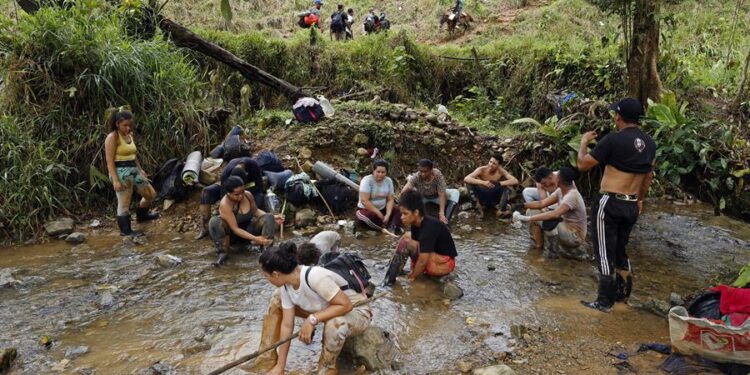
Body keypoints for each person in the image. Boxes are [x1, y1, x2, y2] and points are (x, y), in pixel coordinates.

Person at [577, 97, 656, 313]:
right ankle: (623, 297)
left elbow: (583, 164)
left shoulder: (613, 140)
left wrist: (583, 142)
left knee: (604, 251)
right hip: (631, 204)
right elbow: (648, 176)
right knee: (621, 251)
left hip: (609, 202)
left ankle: (604, 302)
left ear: (618, 116)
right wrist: (640, 199)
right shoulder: (650, 143)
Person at [256, 242, 372, 375]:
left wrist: (312, 320)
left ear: (276, 274)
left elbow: (346, 305)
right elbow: (287, 325)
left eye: (266, 276)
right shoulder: (286, 286)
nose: (266, 280)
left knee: (335, 324)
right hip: (327, 309)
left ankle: (326, 369)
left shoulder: (315, 276)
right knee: (277, 300)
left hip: (356, 312)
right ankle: (268, 358)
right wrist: (280, 367)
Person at [104, 108, 159, 236]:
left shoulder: (129, 135)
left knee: (150, 194)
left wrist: (140, 169)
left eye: (130, 125)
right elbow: (109, 161)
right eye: (125, 125)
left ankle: (142, 216)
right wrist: (116, 180)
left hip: (133, 169)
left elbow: (134, 155)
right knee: (124, 202)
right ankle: (126, 231)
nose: (128, 128)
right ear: (117, 124)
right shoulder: (112, 137)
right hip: (120, 171)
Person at [383, 191, 457, 285]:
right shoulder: (416, 223)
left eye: (405, 214)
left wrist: (412, 277)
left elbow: (422, 261)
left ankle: (389, 280)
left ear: (416, 212)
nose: (401, 217)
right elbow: (416, 245)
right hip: (434, 256)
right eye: (401, 214)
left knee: (406, 242)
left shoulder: (428, 227)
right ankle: (393, 272)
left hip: (444, 264)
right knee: (406, 236)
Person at [512, 167, 587, 259]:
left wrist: (526, 219)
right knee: (531, 211)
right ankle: (538, 246)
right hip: (565, 227)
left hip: (574, 236)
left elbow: (555, 214)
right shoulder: (560, 191)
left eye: (557, 176)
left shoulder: (571, 196)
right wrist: (522, 205)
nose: (555, 177)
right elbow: (542, 203)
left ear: (561, 180)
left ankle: (553, 253)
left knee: (551, 220)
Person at [208, 176, 284, 266]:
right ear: (228, 193)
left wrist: (274, 217)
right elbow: (235, 229)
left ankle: (266, 250)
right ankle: (223, 254)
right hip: (233, 236)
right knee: (215, 221)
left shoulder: (248, 195)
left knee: (269, 217)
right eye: (236, 194)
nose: (241, 196)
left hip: (248, 228)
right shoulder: (225, 204)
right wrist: (255, 239)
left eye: (242, 192)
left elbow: (255, 211)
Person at [195, 157, 264, 240]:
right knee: (206, 192)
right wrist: (227, 209)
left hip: (249, 189)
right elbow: (224, 195)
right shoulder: (227, 172)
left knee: (258, 200)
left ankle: (250, 224)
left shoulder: (253, 165)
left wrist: (248, 199)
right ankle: (205, 228)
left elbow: (260, 188)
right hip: (231, 191)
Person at [401, 159, 460, 224]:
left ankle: (446, 219)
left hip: (436, 196)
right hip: (423, 197)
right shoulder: (416, 176)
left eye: (425, 171)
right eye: (421, 171)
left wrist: (441, 213)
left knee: (455, 193)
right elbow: (405, 190)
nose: (422, 174)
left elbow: (442, 194)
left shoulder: (437, 175)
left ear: (431, 170)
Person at [463, 153, 519, 217]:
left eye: (494, 164)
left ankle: (500, 211)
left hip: (494, 196)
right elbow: (466, 178)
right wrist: (483, 182)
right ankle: (477, 207)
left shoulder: (501, 171)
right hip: (481, 195)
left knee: (508, 186)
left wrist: (499, 183)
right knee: (469, 183)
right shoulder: (481, 169)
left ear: (499, 165)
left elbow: (515, 181)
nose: (491, 165)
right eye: (490, 162)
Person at [355, 160, 401, 232]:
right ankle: (382, 228)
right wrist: (378, 213)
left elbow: (390, 199)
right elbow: (364, 201)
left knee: (399, 210)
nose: (380, 174)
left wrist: (388, 215)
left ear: (386, 173)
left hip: (383, 209)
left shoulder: (388, 181)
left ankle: (393, 227)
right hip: (366, 210)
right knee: (369, 217)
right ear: (373, 171)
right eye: (378, 172)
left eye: (383, 172)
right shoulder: (367, 180)